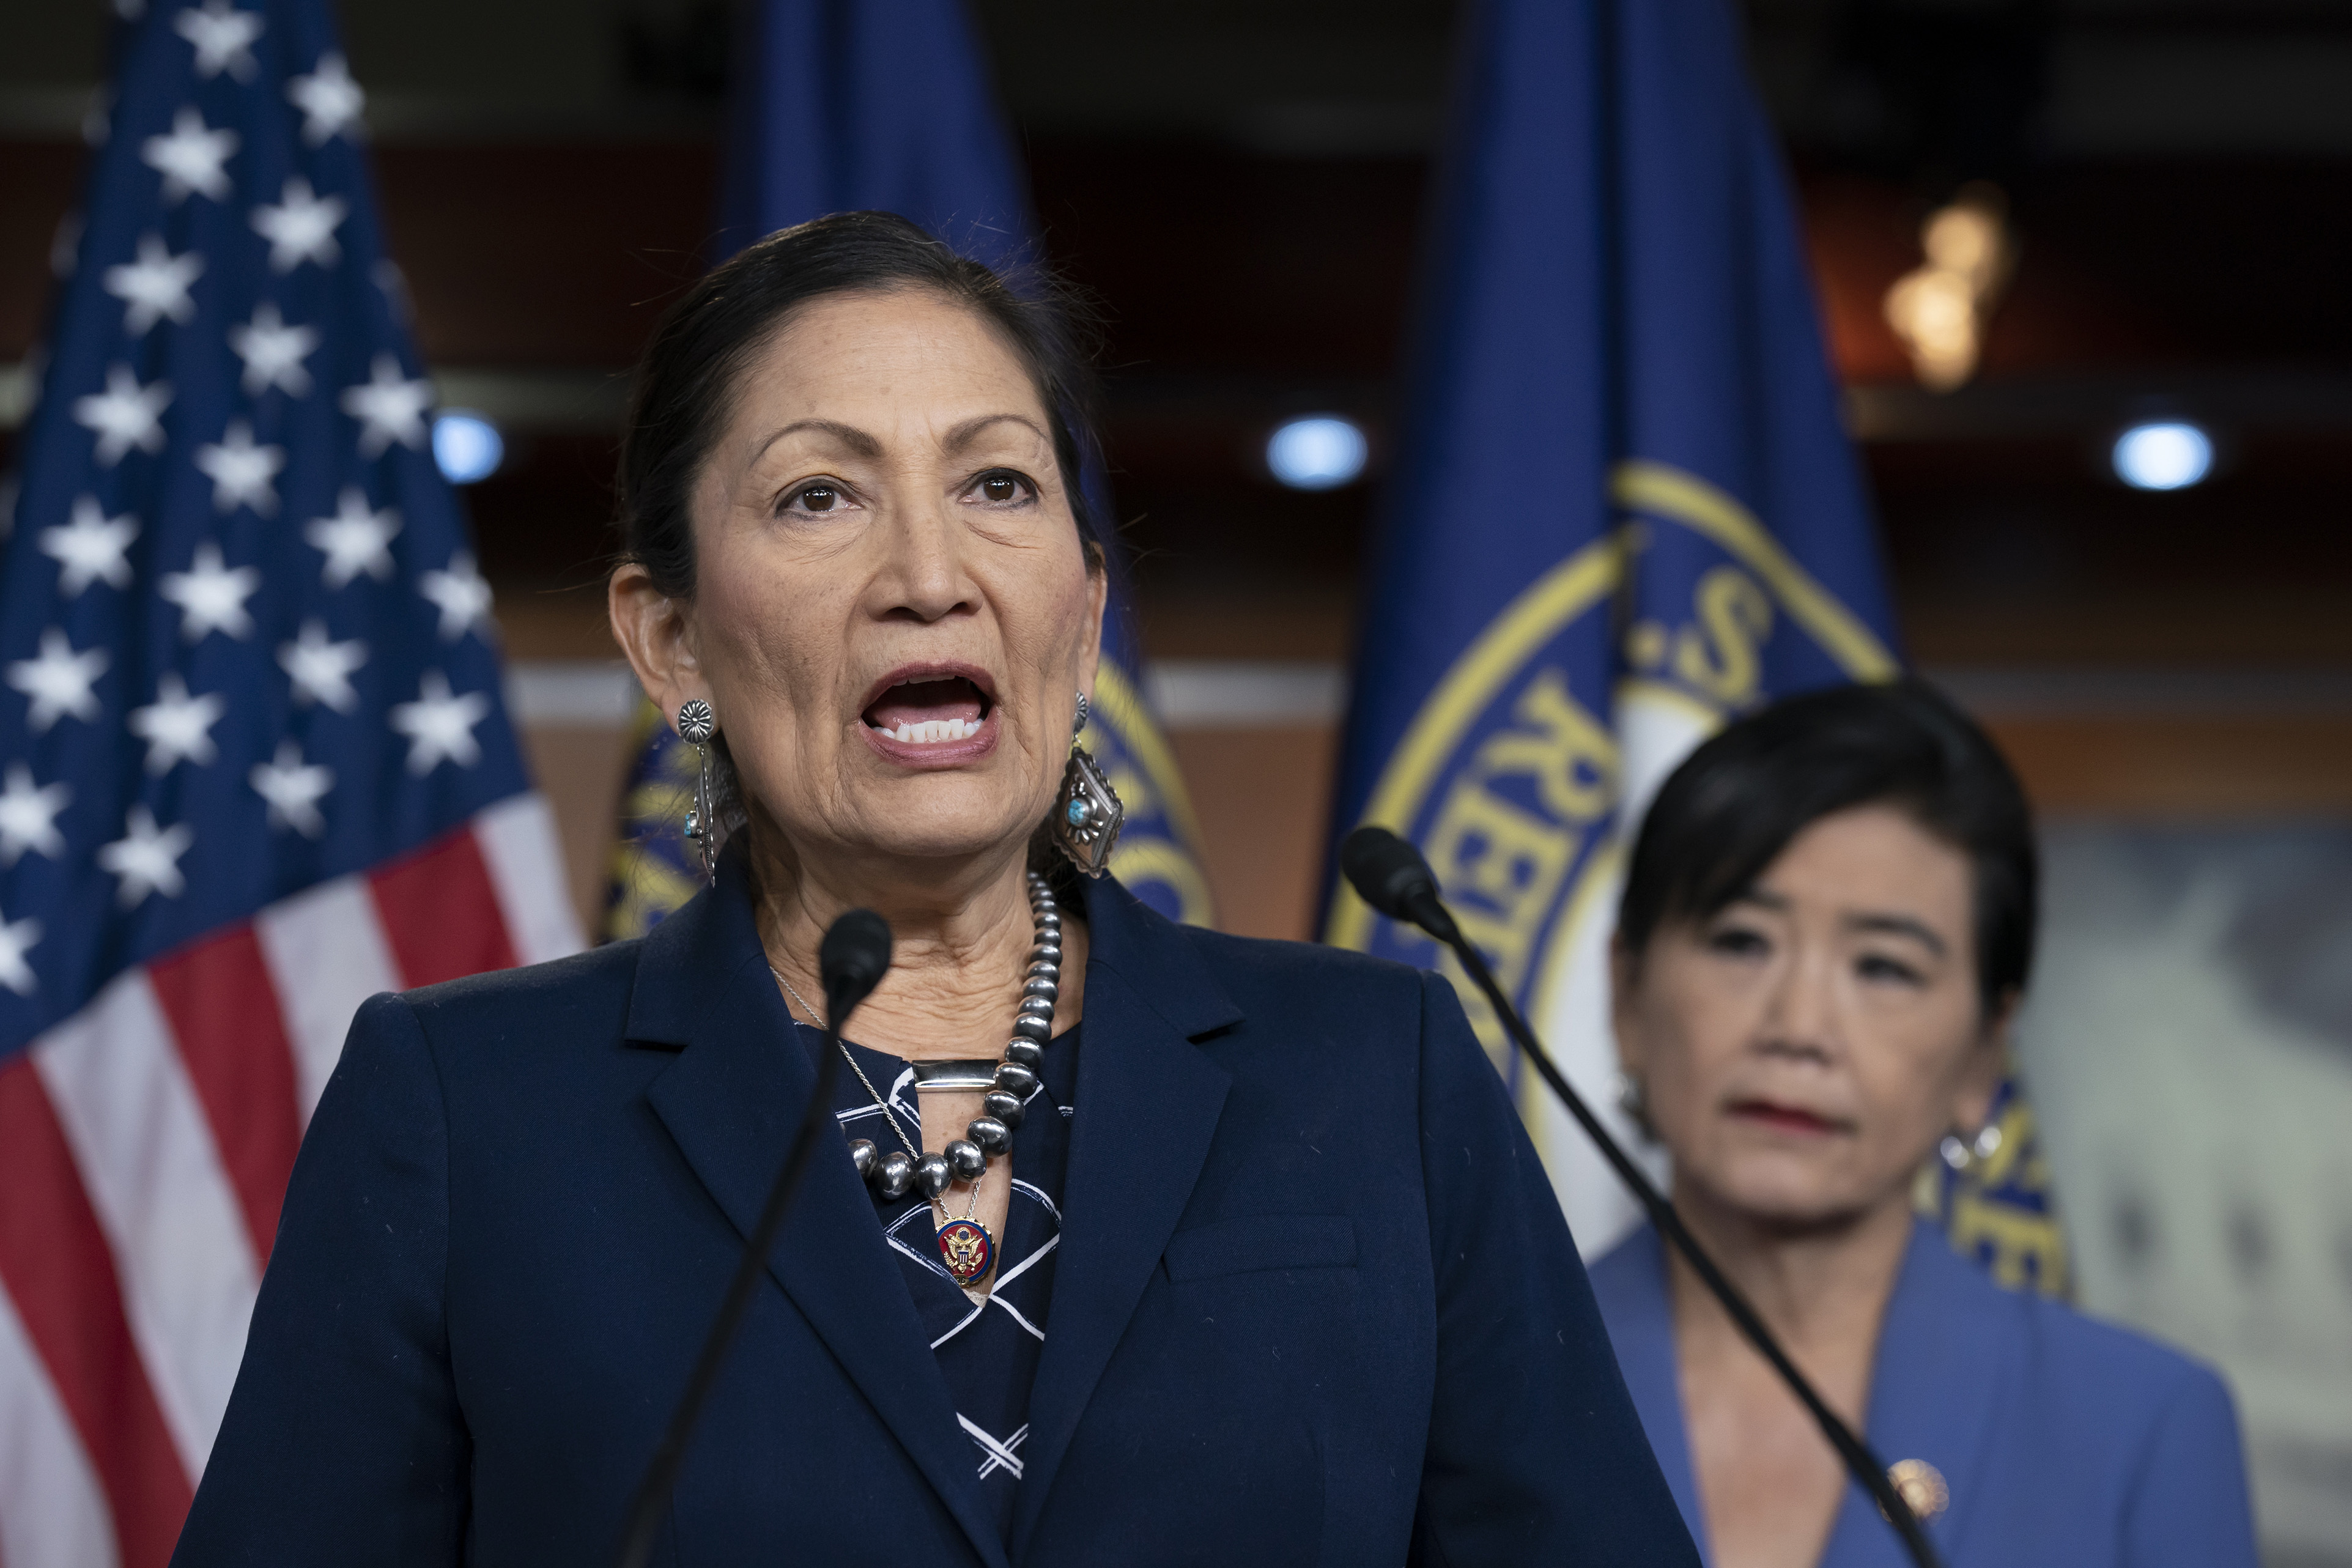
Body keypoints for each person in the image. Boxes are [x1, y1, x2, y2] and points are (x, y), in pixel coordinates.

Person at [173, 212, 1698, 1568]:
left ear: (1085, 613)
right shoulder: (464, 1109)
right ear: (673, 642)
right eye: (820, 498)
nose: (930, 570)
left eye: (997, 483)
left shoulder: (1378, 1074)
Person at [1588, 679, 2259, 1568]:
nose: (1797, 1027)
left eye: (1883, 968)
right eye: (1741, 941)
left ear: (1983, 1055)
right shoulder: (1471, 1390)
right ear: (1627, 995)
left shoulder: (2139, 1426)